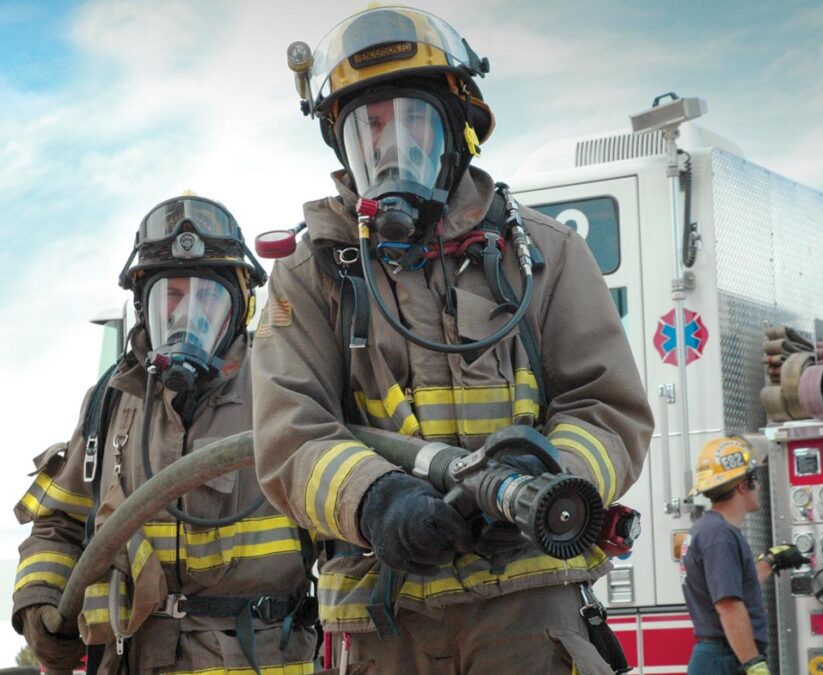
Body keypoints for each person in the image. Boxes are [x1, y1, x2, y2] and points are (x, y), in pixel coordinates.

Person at [251, 7, 653, 674]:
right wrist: (374, 498)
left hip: (531, 610)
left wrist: (548, 474)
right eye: (368, 127)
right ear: (342, 147)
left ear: (458, 130)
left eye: (413, 120)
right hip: (384, 620)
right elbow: (288, 433)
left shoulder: (546, 256)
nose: (389, 144)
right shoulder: (311, 275)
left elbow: (610, 409)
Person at [12, 196, 318, 674]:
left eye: (206, 298)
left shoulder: (282, 387)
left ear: (238, 309)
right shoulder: (109, 402)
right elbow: (59, 524)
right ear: (144, 306)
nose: (186, 315)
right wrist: (41, 604)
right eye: (171, 296)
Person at [681, 436, 808, 675]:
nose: (759, 487)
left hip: (722, 656)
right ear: (742, 484)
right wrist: (752, 662)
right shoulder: (719, 536)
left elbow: (734, 586)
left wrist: (770, 561)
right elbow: (728, 605)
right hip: (726, 659)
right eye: (755, 479)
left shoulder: (711, 529)